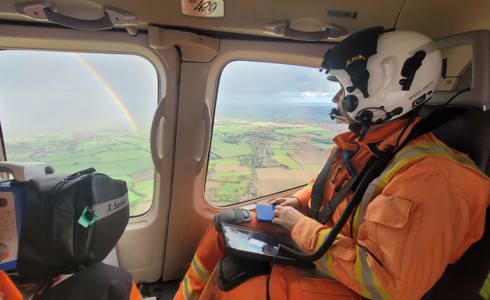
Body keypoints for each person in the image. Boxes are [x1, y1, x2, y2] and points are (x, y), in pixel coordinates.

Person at [174, 27, 489, 300]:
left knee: (241, 282)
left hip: (357, 286)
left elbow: (385, 284)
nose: (336, 99)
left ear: (382, 89)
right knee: (226, 226)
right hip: (327, 251)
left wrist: (299, 226)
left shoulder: (434, 179)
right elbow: (330, 190)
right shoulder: (365, 145)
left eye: (343, 89)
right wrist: (297, 203)